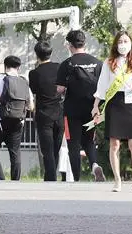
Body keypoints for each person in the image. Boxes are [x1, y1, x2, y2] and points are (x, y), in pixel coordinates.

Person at [92, 31, 132, 193]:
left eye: (126, 41)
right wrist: (96, 105)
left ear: (131, 43)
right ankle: (117, 180)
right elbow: (102, 87)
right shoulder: (109, 63)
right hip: (114, 103)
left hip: (130, 102)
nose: (123, 44)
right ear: (116, 44)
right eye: (120, 41)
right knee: (114, 144)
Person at [56, 30, 104, 182]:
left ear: (69, 45)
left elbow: (60, 89)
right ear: (84, 43)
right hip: (92, 109)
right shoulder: (97, 63)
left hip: (72, 111)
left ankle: (76, 178)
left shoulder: (66, 64)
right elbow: (103, 87)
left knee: (73, 144)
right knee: (89, 141)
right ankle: (95, 165)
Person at [0, 55, 33, 181]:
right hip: (18, 122)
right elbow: (31, 106)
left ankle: (0, 179)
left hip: (0, 121)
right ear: (19, 67)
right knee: (15, 152)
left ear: (5, 66)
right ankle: (15, 181)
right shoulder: (24, 81)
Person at [29, 41, 65, 182]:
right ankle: (50, 178)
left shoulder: (34, 73)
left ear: (37, 55)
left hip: (44, 115)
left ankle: (50, 180)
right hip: (59, 113)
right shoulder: (60, 68)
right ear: (50, 53)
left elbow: (35, 91)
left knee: (47, 151)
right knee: (55, 149)